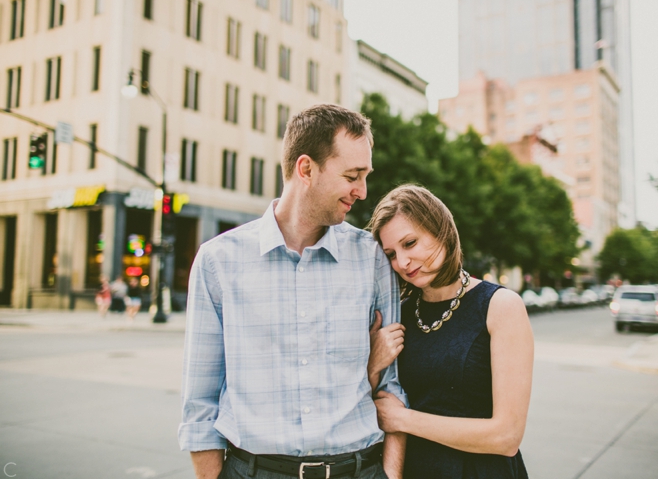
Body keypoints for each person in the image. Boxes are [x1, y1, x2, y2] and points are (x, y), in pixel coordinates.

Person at [179, 104, 407, 479]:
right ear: (306, 169)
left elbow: (391, 385)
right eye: (352, 175)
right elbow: (199, 405)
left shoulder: (371, 258)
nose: (363, 192)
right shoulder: (217, 261)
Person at [367, 184, 533, 479]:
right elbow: (368, 405)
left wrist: (404, 419)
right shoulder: (398, 313)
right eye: (391, 254)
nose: (402, 263)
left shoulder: (500, 306)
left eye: (410, 243)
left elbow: (507, 437)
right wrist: (374, 363)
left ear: (440, 229)